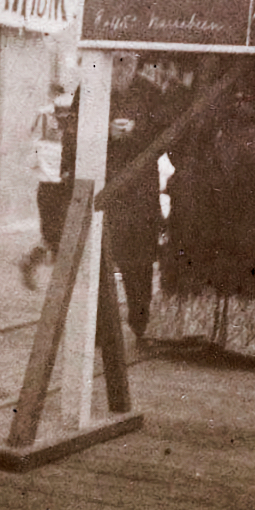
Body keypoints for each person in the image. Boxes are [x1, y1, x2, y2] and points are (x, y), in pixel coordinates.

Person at [151, 57, 255, 367]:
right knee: (202, 243)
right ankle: (208, 332)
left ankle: (248, 342)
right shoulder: (214, 58)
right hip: (214, 161)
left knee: (250, 248)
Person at [95, 53, 168, 342]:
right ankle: (100, 329)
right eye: (115, 61)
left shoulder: (150, 93)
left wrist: (137, 131)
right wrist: (106, 130)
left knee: (138, 263)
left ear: (136, 63)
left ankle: (140, 323)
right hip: (104, 188)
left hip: (139, 192)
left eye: (126, 61)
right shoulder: (91, 87)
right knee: (100, 259)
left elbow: (163, 134)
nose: (120, 68)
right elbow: (74, 132)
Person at [18, 85, 76, 290]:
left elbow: (31, 156)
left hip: (47, 188)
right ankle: (55, 284)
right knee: (57, 237)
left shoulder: (42, 130)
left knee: (53, 236)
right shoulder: (69, 140)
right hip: (60, 188)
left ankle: (33, 263)